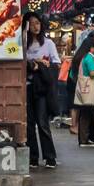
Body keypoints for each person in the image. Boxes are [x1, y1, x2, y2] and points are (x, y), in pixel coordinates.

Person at [23, 12, 60, 169]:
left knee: (42, 122)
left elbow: (56, 64)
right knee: (29, 124)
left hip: (42, 89)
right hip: (26, 87)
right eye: (31, 24)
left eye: (37, 23)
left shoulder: (48, 43)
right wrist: (32, 62)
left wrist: (41, 65)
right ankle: (33, 157)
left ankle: (50, 157)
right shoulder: (23, 44)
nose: (35, 27)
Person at [73, 35, 94, 146]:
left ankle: (83, 140)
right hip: (90, 88)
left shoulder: (80, 57)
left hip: (81, 89)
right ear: (91, 47)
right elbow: (92, 73)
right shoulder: (89, 57)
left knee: (85, 113)